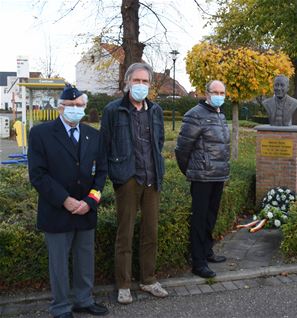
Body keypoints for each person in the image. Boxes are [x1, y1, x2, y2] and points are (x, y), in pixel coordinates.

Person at [28, 84, 109, 317]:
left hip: (86, 210)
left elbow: (101, 173)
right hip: (56, 210)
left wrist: (90, 202)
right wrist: (65, 200)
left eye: (80, 105)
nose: (75, 109)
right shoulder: (41, 134)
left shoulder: (93, 135)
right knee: (59, 264)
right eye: (71, 105)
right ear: (60, 107)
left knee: (85, 260)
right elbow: (38, 175)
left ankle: (84, 300)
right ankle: (61, 306)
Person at [100, 62, 168, 304]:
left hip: (151, 178)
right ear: (127, 83)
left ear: (150, 85)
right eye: (136, 81)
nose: (141, 85)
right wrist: (115, 173)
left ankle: (148, 280)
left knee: (151, 232)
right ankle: (124, 284)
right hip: (127, 178)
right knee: (125, 233)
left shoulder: (156, 110)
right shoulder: (113, 110)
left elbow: (158, 142)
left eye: (145, 81)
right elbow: (104, 145)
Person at [175, 80, 230, 278]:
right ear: (206, 93)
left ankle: (207, 251)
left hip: (218, 175)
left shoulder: (220, 115)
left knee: (210, 216)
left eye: (222, 92)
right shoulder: (194, 115)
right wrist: (190, 171)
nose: (219, 95)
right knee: (199, 219)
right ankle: (198, 262)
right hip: (201, 177)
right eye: (215, 92)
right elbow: (182, 149)